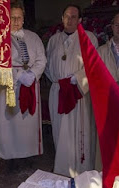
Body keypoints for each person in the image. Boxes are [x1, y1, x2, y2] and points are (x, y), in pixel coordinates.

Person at [45, 4, 98, 178]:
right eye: (67, 16)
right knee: (60, 130)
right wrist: (58, 80)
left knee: (78, 132)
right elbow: (47, 65)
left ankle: (81, 170)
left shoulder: (88, 37)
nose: (70, 20)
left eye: (74, 17)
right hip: (58, 91)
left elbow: (94, 65)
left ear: (80, 20)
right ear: (62, 18)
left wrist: (77, 78)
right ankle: (62, 169)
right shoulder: (54, 39)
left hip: (77, 92)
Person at [0, 1, 46, 160]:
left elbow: (42, 60)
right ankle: (9, 156)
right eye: (12, 17)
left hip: (30, 83)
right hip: (9, 84)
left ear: (23, 19)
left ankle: (28, 154)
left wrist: (32, 75)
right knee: (9, 122)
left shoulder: (33, 37)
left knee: (28, 122)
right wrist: (18, 75)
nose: (16, 21)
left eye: (19, 17)